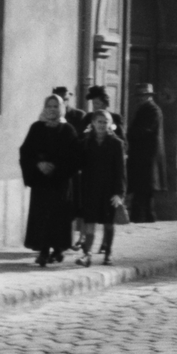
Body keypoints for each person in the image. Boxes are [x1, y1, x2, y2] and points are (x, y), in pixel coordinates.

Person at [19, 94, 82, 266]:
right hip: (41, 182)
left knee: (58, 216)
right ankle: (44, 251)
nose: (52, 109)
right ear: (45, 108)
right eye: (49, 106)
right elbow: (26, 151)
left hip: (60, 182)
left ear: (61, 108)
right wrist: (38, 165)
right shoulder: (36, 128)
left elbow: (74, 157)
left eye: (56, 106)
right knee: (42, 216)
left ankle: (58, 249)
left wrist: (56, 168)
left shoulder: (68, 130)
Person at [77, 108, 126, 266]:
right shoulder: (86, 142)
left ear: (110, 124)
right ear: (93, 123)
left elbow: (120, 170)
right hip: (91, 188)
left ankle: (108, 253)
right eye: (99, 122)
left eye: (105, 122)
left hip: (109, 189)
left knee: (108, 222)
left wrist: (119, 193)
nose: (102, 125)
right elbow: (80, 165)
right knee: (90, 221)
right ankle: (87, 254)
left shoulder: (116, 144)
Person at [126, 83, 165, 222]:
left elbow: (145, 130)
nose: (141, 98)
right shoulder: (144, 109)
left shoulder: (153, 110)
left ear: (149, 96)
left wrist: (129, 133)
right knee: (142, 188)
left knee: (144, 188)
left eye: (144, 95)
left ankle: (142, 217)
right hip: (141, 154)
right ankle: (145, 217)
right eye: (139, 96)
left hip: (147, 155)